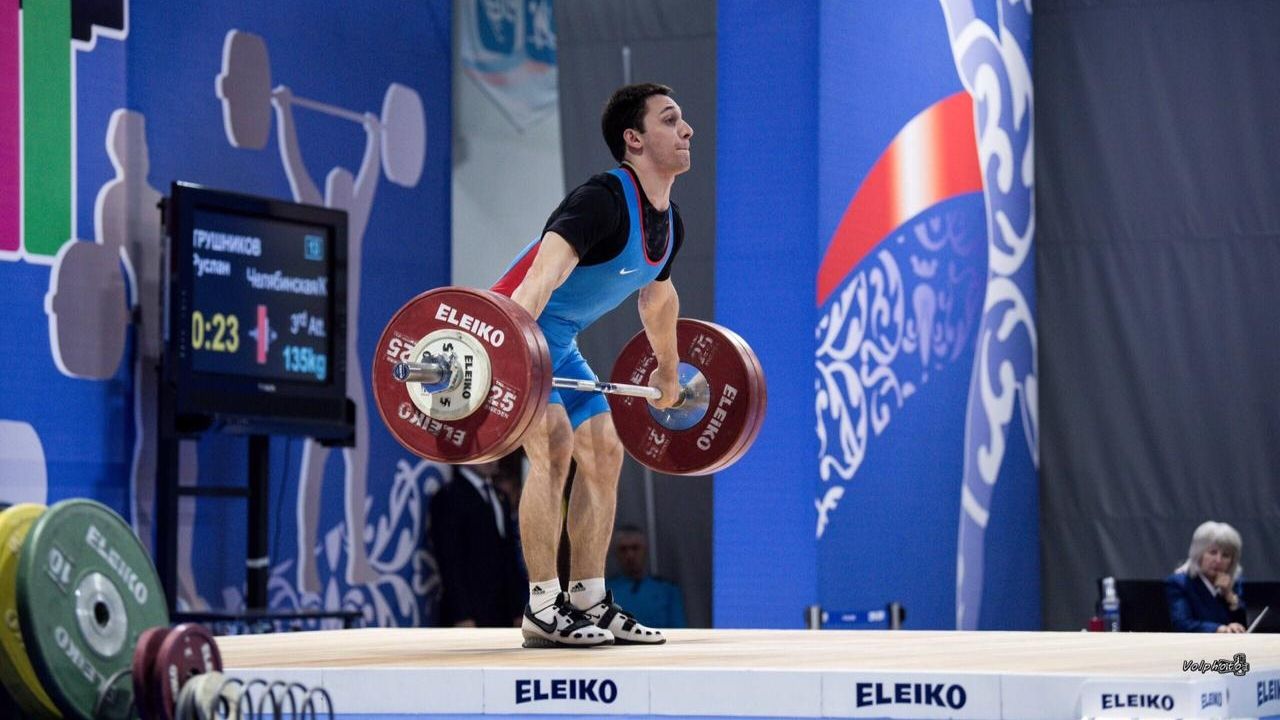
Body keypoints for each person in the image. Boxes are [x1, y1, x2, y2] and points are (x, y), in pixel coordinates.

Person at [490, 82, 693, 648]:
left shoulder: (669, 222)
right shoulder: (600, 199)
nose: (686, 129)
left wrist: (669, 372)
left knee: (604, 449)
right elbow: (542, 277)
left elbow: (658, 300)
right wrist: (510, 355)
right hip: (512, 330)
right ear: (634, 138)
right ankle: (541, 607)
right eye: (669, 119)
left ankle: (588, 600)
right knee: (554, 443)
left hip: (558, 340)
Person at [429, 457, 527, 627]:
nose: (491, 459)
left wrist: (517, 610)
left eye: (494, 451)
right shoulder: (450, 495)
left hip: (501, 611)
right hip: (470, 613)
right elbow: (450, 562)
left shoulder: (500, 496)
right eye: (483, 451)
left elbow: (508, 559)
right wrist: (462, 615)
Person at [1165, 521, 1247, 633]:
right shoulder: (1179, 583)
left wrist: (1230, 596)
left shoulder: (1234, 583)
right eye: (1213, 552)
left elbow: (1243, 625)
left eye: (1226, 555)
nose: (1218, 560)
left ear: (1232, 561)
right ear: (1198, 554)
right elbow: (1182, 624)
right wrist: (1219, 629)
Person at [606, 525, 686, 629]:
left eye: (635, 548)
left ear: (645, 550)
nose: (630, 555)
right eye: (623, 549)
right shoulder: (606, 591)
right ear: (616, 553)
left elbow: (678, 629)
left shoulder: (667, 590)